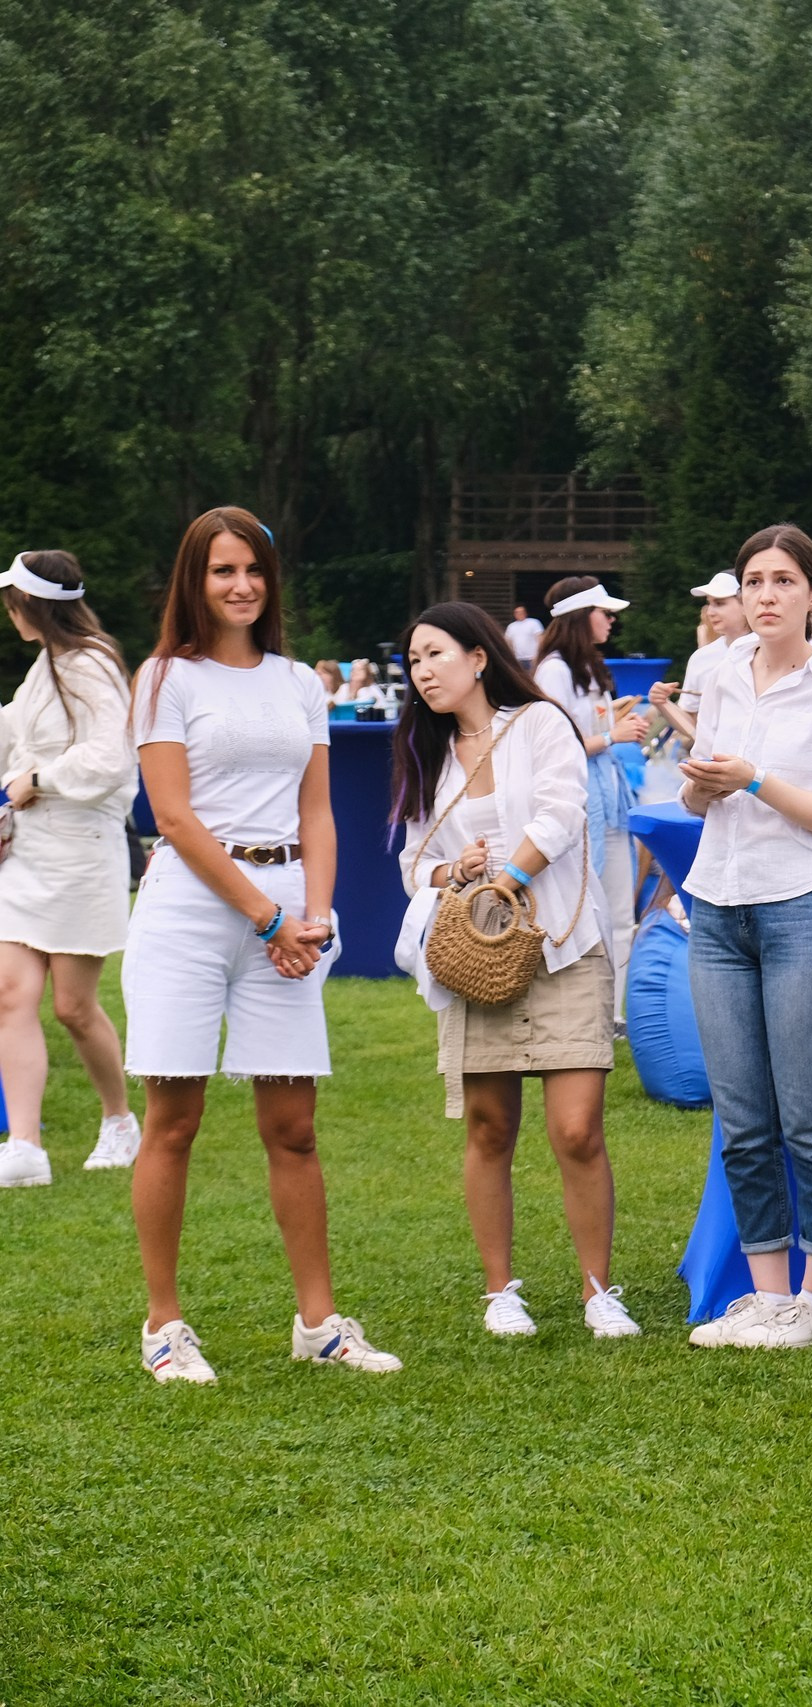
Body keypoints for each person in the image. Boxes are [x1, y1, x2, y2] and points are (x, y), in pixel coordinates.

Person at [124, 506, 399, 1384]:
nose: (240, 584)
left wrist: (311, 917)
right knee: (174, 1120)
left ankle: (318, 1322)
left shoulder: (297, 683)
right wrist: (268, 918)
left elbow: (316, 809)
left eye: (252, 569)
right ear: (193, 581)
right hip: (190, 911)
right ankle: (164, 1326)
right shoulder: (165, 677)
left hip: (287, 912)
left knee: (295, 1126)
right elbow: (172, 815)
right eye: (221, 570)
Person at [394, 602, 633, 1339]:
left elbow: (563, 813)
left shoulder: (539, 723)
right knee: (490, 1125)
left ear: (477, 656)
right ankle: (501, 1291)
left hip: (561, 944)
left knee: (577, 1129)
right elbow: (411, 863)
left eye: (435, 653)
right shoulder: (425, 752)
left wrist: (509, 878)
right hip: (478, 958)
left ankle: (599, 1290)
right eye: (412, 661)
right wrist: (450, 871)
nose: (423, 670)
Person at [677, 525, 812, 1350]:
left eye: (783, 581)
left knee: (810, 1114)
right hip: (717, 903)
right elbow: (696, 804)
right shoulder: (719, 676)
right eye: (753, 580)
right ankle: (767, 1294)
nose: (764, 595)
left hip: (806, 903)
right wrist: (706, 787)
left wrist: (753, 778)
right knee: (743, 1117)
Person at [0, 551, 140, 1190]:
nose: (7, 613)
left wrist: (37, 779)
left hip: (83, 853)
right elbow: (13, 738)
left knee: (73, 1007)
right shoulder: (42, 668)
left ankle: (119, 1119)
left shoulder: (91, 664)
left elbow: (108, 760)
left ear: (31, 605)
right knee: (10, 994)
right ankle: (24, 1145)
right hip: (27, 853)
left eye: (11, 601)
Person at [534, 576, 647, 1022]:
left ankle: (611, 1015)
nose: (612, 620)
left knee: (620, 912)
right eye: (604, 612)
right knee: (584, 911)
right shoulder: (554, 671)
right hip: (578, 811)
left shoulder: (588, 667)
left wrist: (615, 719)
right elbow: (552, 746)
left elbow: (585, 729)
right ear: (582, 618)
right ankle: (582, 1010)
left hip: (609, 805)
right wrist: (611, 735)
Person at [648, 570, 753, 747]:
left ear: (746, 604)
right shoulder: (701, 658)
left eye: (720, 603)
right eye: (709, 603)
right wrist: (662, 703)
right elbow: (692, 723)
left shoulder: (773, 650)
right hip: (715, 764)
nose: (710, 612)